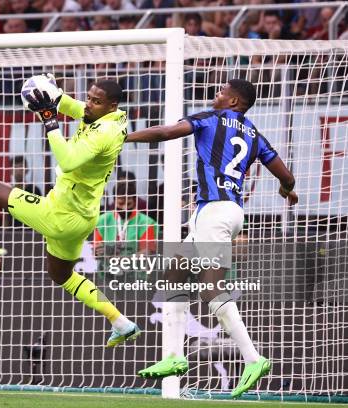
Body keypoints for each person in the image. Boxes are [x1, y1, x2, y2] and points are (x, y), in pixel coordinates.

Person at [126, 79, 298, 398]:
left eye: (221, 92)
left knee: (209, 288)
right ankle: (175, 356)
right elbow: (286, 176)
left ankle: (253, 358)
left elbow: (165, 133)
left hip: (215, 212)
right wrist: (287, 190)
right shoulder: (254, 134)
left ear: (233, 101)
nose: (215, 95)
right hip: (225, 211)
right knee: (174, 276)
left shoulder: (209, 118)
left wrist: (122, 134)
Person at [0, 77, 140, 347]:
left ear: (112, 105)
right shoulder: (113, 117)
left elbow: (68, 160)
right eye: (89, 97)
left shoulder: (105, 132)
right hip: (82, 217)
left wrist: (50, 122)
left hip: (60, 214)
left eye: (96, 102)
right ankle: (120, 322)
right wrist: (52, 97)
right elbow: (77, 108)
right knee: (62, 275)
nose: (89, 104)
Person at [94, 179, 157, 276]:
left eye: (128, 204)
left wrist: (124, 260)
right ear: (114, 201)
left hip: (137, 279)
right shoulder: (102, 221)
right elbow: (96, 249)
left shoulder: (146, 223)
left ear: (135, 200)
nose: (124, 208)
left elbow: (148, 251)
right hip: (107, 277)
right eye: (120, 204)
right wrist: (101, 252)